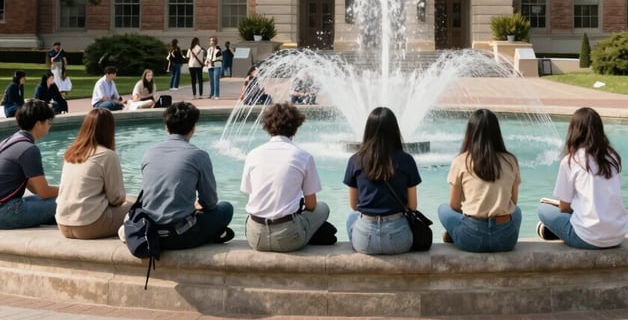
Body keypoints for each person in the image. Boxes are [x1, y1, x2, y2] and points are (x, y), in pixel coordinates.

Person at [139, 101, 233, 249]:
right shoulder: (198, 156)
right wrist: (195, 206)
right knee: (226, 208)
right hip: (181, 235)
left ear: (166, 128)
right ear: (193, 129)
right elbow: (210, 202)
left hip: (150, 232)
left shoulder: (149, 153)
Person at [241, 102, 331, 251]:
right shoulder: (303, 156)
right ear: (295, 129)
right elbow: (311, 205)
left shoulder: (253, 154)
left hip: (255, 236)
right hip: (287, 236)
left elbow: (248, 191)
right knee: (323, 208)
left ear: (267, 127)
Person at [536, 107, 627, 248]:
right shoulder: (612, 157)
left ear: (574, 130)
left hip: (589, 238)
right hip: (618, 235)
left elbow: (564, 207)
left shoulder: (572, 160)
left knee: (543, 209)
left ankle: (559, 232)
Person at [438, 108, 522, 253]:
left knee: (443, 209)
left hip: (472, 238)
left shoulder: (461, 161)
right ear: (497, 133)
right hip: (505, 239)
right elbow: (513, 202)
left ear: (470, 133)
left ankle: (456, 233)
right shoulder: (510, 160)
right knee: (517, 212)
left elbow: (454, 205)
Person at [343, 107, 421, 255]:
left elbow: (354, 206)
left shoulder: (355, 160)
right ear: (394, 130)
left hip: (365, 241)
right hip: (398, 240)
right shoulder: (406, 160)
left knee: (351, 217)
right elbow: (412, 205)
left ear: (368, 130)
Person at [56, 109, 132, 238]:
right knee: (137, 206)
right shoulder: (107, 155)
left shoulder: (71, 153)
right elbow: (116, 198)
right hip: (89, 224)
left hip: (62, 223)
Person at [0, 100, 58, 228]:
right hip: (6, 211)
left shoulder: (9, 141)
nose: (50, 126)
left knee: (54, 202)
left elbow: (33, 187)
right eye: (49, 122)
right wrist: (69, 189)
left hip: (5, 206)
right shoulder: (28, 149)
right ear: (38, 124)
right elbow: (44, 192)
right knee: (69, 202)